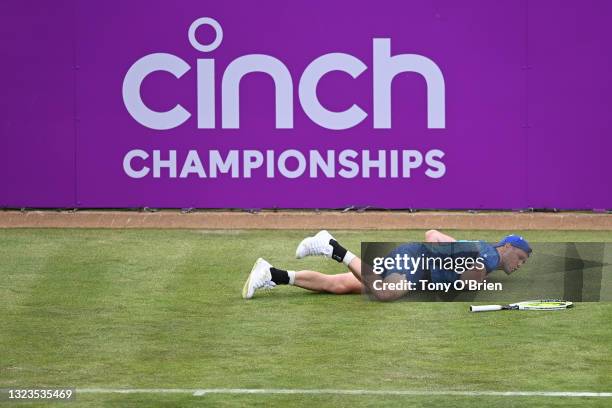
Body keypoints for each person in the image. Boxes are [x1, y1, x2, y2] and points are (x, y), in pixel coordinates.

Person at [242, 229, 531, 300]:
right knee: (384, 292)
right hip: (414, 263)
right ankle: (332, 247)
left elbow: (433, 234)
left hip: (415, 264)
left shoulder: (481, 250)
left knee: (341, 285)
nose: (520, 264)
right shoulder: (490, 256)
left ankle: (272, 274)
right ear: (507, 247)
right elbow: (464, 282)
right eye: (520, 257)